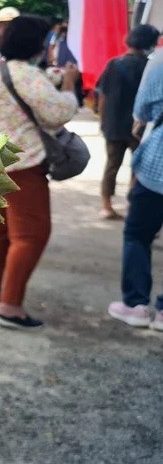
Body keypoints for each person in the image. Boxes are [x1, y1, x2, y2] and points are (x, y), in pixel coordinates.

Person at [0, 15, 80, 330]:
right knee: (31, 235)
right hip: (24, 164)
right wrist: (69, 86)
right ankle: (10, 306)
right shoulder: (28, 75)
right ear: (36, 43)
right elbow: (57, 113)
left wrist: (54, 77)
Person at [108, 50, 163, 331]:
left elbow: (142, 111)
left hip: (158, 168)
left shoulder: (161, 61)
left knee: (138, 235)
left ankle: (136, 305)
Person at [95, 25, 158, 220]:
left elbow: (103, 95)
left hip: (113, 123)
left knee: (111, 165)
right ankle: (133, 205)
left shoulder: (114, 64)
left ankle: (106, 206)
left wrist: (102, 119)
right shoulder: (150, 66)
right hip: (139, 126)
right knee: (138, 167)